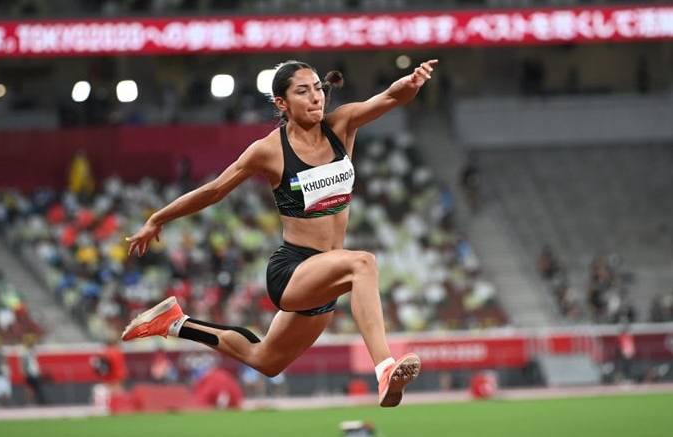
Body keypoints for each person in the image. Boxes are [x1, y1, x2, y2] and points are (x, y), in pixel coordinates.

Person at [122, 58, 438, 407]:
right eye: (303, 91)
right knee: (362, 263)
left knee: (266, 360)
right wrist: (158, 218)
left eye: (317, 88)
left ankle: (175, 322)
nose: (315, 97)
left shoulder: (342, 125)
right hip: (293, 270)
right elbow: (214, 190)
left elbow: (391, 97)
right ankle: (384, 369)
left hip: (326, 276)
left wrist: (411, 82)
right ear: (281, 103)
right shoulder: (270, 150)